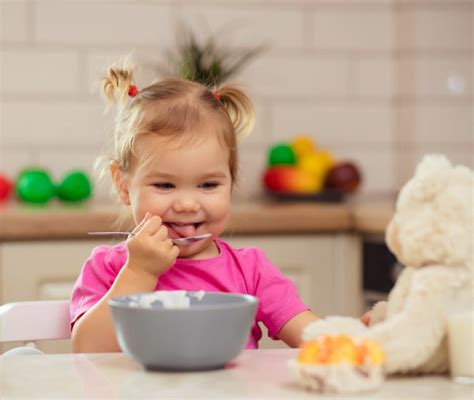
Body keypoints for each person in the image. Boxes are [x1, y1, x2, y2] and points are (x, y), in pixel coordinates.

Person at [70, 59, 319, 353]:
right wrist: (139, 273)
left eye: (208, 185)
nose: (188, 204)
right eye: (164, 185)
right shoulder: (109, 268)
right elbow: (87, 350)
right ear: (124, 185)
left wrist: (356, 341)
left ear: (231, 182)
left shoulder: (251, 271)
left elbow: (311, 335)